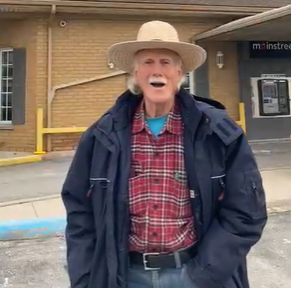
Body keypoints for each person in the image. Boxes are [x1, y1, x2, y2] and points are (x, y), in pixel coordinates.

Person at [61, 20, 267, 288]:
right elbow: (78, 209)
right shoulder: (102, 134)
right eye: (147, 62)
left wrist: (204, 274)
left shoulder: (217, 131)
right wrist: (86, 276)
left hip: (194, 276)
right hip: (125, 276)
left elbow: (246, 211)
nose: (156, 70)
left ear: (180, 72)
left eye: (165, 62)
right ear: (135, 73)